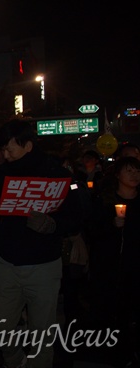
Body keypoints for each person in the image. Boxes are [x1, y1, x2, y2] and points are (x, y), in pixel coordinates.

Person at [0, 119, 83, 368]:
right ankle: (15, 361)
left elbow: (78, 211)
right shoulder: (0, 174)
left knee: (42, 332)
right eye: (3, 150)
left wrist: (54, 224)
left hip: (43, 265)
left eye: (10, 149)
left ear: (28, 146)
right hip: (6, 264)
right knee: (0, 326)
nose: (5, 155)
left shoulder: (58, 173)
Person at [86, 156, 140, 367]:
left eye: (137, 171)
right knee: (113, 313)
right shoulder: (105, 201)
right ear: (117, 175)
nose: (135, 175)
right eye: (129, 171)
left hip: (135, 267)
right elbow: (92, 231)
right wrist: (111, 225)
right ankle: (116, 353)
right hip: (111, 270)